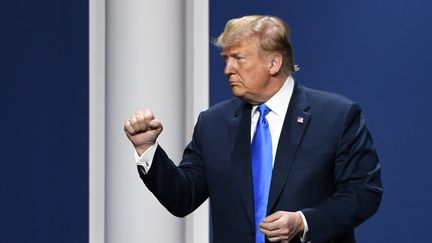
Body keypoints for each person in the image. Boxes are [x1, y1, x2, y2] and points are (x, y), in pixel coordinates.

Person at [124, 15, 383, 243]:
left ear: (273, 63)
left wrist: (303, 222)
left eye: (239, 58)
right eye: (226, 59)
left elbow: (363, 192)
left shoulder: (336, 116)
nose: (227, 69)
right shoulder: (212, 123)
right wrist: (147, 149)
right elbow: (183, 197)